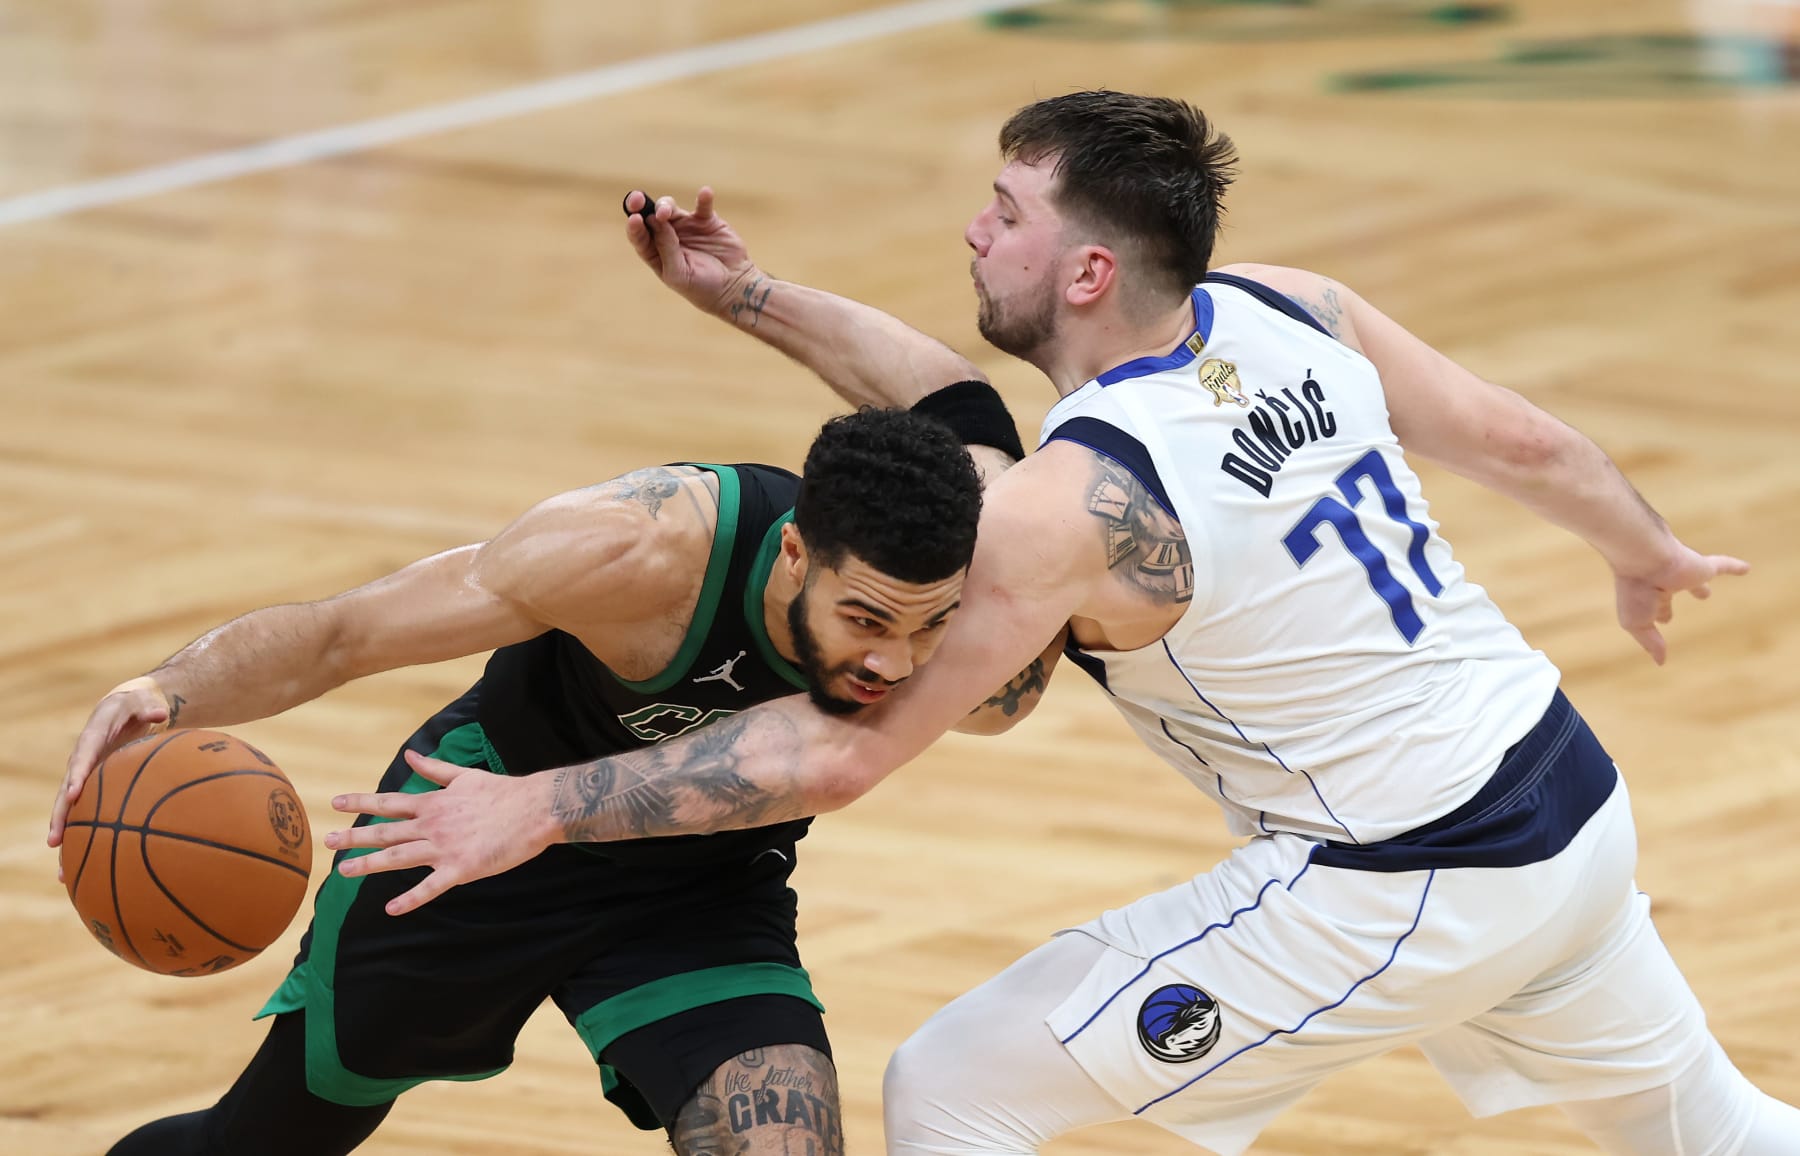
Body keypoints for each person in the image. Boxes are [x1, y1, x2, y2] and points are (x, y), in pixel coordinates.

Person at [327, 92, 1796, 1155]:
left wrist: (540, 807)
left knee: (956, 1090)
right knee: (1719, 1134)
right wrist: (1645, 551)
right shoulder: (1291, 311)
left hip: (1406, 877)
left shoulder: (1068, 505)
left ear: (1088, 270)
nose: (976, 230)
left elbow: (844, 756)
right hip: (1568, 796)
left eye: (1008, 213)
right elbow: (1522, 447)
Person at [46, 215, 1036, 1156]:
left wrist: (750, 291)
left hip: (698, 880)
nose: (896, 664)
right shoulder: (631, 550)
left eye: (929, 625)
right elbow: (344, 634)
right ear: (790, 555)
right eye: (864, 620)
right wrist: (168, 691)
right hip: (469, 838)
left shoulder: (980, 604)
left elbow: (959, 403)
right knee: (257, 1144)